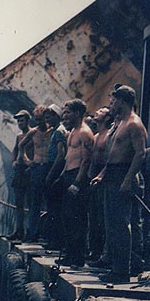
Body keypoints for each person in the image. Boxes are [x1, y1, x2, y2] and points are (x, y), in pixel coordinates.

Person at [91, 85, 147, 283]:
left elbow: (140, 154)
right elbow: (112, 155)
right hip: (113, 174)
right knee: (112, 225)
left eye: (114, 101)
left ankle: (122, 271)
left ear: (122, 101)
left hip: (124, 174)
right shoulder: (120, 123)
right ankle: (116, 266)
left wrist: (127, 179)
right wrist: (102, 175)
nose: (111, 105)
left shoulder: (134, 124)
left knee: (121, 225)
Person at [59, 99, 94, 268]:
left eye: (68, 112)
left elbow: (86, 160)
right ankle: (69, 254)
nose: (65, 116)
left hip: (77, 177)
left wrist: (77, 183)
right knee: (67, 218)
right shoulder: (72, 131)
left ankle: (78, 257)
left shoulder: (85, 133)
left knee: (77, 219)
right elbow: (69, 156)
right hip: (68, 175)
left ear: (77, 113)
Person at [19, 105, 51, 242]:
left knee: (49, 201)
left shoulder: (52, 131)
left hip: (48, 167)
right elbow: (21, 146)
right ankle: (32, 233)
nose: (39, 122)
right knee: (34, 202)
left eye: (41, 119)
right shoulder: (33, 132)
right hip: (37, 167)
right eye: (36, 119)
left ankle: (47, 234)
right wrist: (27, 161)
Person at [87, 107, 113, 264]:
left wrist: (101, 176)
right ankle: (94, 251)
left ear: (107, 117)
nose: (97, 112)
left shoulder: (109, 136)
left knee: (103, 218)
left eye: (101, 111)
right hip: (93, 177)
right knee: (94, 217)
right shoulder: (96, 136)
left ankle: (104, 253)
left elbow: (109, 160)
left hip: (103, 179)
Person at [43, 104, 68, 250]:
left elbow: (61, 154)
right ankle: (54, 239)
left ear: (56, 116)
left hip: (55, 168)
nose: (47, 120)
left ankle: (56, 241)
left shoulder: (59, 131)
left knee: (54, 207)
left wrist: (51, 174)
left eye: (49, 117)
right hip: (53, 167)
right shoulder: (55, 130)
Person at [9, 110, 33, 241]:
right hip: (19, 170)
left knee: (30, 202)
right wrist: (13, 160)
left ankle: (30, 231)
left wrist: (31, 165)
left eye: (22, 120)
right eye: (18, 121)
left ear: (28, 120)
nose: (20, 123)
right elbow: (15, 149)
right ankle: (19, 230)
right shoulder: (19, 136)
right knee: (18, 202)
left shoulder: (33, 134)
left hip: (29, 170)